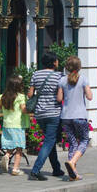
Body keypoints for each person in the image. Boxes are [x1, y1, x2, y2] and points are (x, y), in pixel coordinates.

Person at [27, 51, 65, 182]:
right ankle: (35, 170)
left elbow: (30, 94)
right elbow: (61, 95)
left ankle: (56, 168)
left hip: (39, 113)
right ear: (54, 62)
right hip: (53, 112)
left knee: (51, 140)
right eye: (57, 60)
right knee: (49, 141)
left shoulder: (36, 74)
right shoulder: (59, 76)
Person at [57, 55, 93, 180]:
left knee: (72, 143)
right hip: (80, 116)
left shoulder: (62, 81)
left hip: (66, 117)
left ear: (67, 67)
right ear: (79, 67)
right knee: (84, 140)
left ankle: (74, 174)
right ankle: (72, 163)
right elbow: (89, 97)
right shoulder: (83, 79)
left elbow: (59, 99)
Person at [0, 73, 28, 175]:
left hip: (7, 125)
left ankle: (7, 155)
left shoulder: (2, 97)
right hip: (18, 125)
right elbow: (23, 110)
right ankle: (15, 169)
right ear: (19, 86)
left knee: (12, 144)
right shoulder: (21, 97)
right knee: (19, 147)